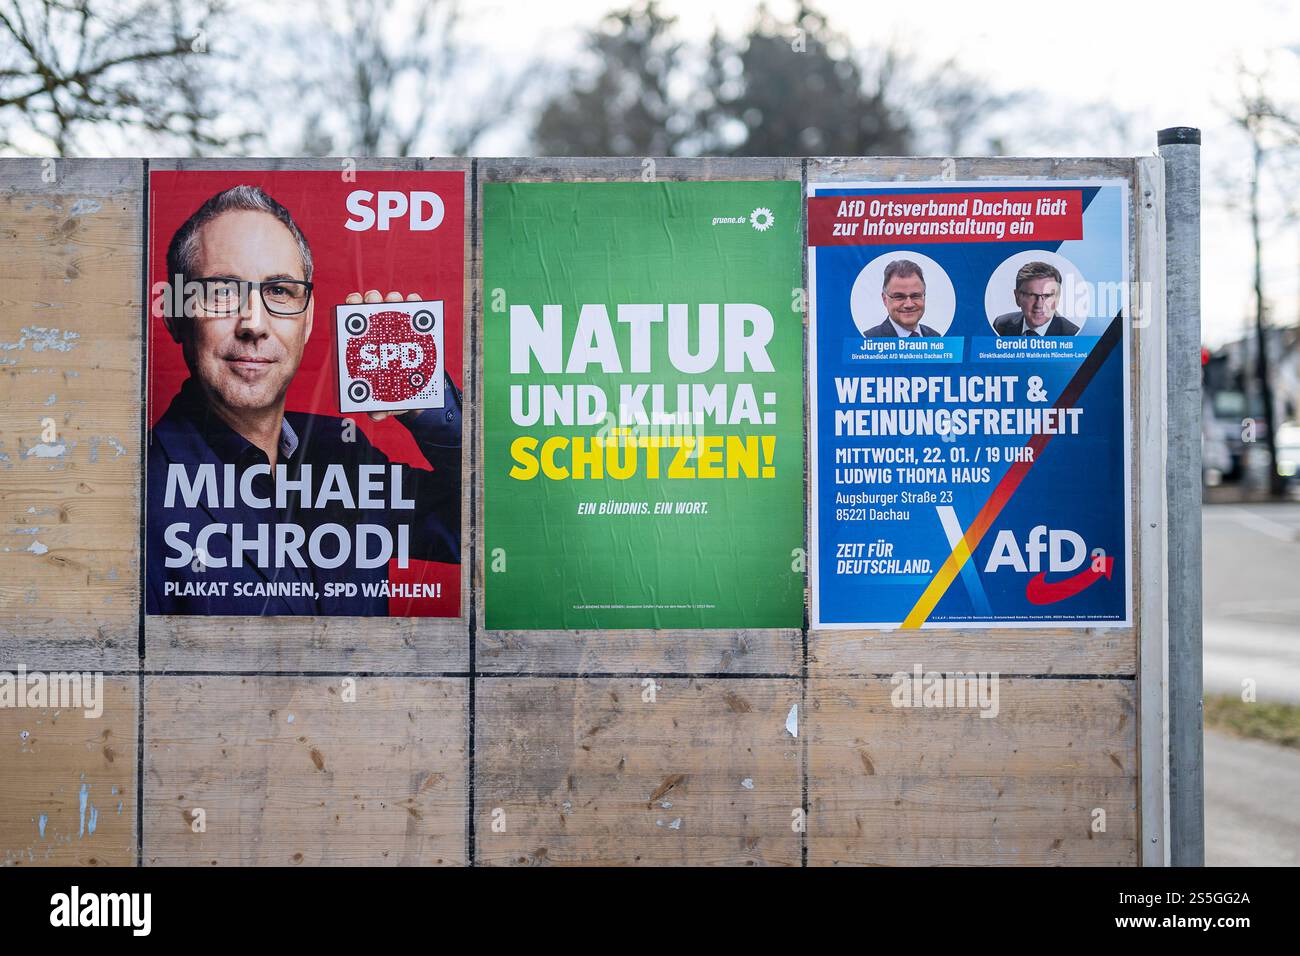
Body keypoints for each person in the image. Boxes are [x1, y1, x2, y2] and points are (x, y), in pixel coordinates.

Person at [146, 184, 461, 615]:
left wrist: (426, 399)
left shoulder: (345, 457)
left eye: (279, 291)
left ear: (308, 321)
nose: (253, 324)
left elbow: (502, 527)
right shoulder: (137, 497)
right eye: (221, 291)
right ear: (176, 316)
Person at [992, 261, 1080, 337]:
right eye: (1032, 295)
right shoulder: (1000, 325)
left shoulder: (1074, 335)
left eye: (1047, 296)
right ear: (1017, 297)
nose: (1039, 305)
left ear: (1057, 297)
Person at [863, 259, 941, 338]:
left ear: (924, 296)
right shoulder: (867, 340)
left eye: (915, 296)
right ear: (885, 299)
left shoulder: (937, 338)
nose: (909, 305)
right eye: (899, 297)